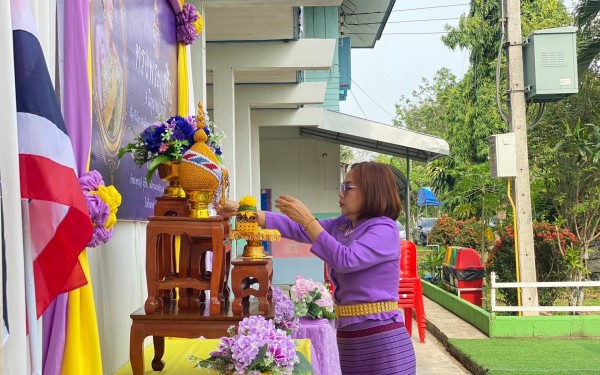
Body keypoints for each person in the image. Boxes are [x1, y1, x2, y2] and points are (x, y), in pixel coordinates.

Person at [256, 162, 416, 374]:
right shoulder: (343, 225)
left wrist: (308, 219)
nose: (341, 194)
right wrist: (251, 214)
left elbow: (345, 259)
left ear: (370, 190)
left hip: (381, 340)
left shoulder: (385, 228)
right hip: (349, 338)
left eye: (347, 188)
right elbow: (299, 229)